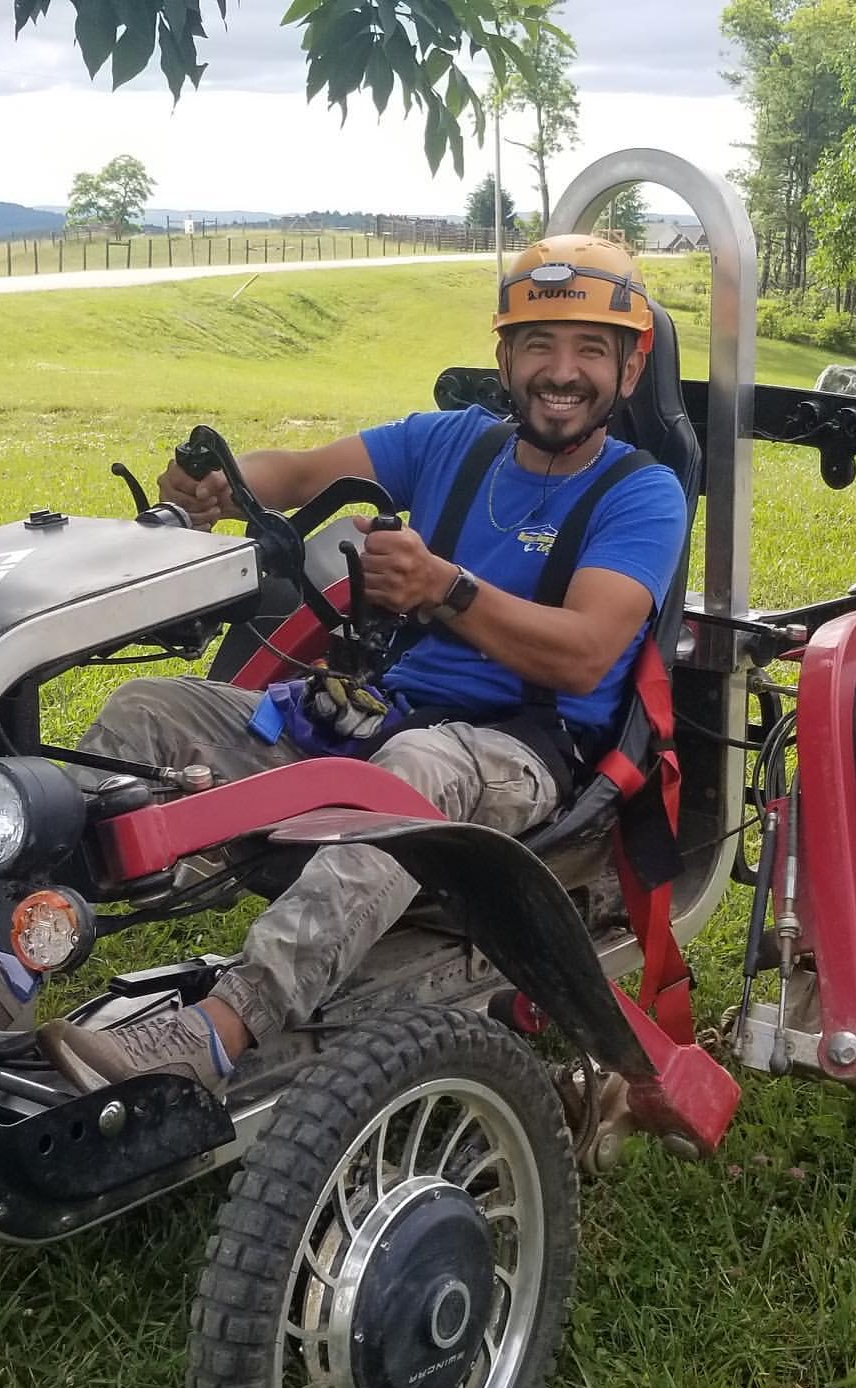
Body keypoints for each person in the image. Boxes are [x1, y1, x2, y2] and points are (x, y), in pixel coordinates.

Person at [39, 234, 688, 1095]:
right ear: (503, 355)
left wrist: (444, 589)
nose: (560, 372)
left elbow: (584, 654)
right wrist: (222, 488)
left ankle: (218, 1031)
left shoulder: (642, 493)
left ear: (629, 371)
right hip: (385, 714)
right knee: (152, 711)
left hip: (524, 753)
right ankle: (16, 954)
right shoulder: (452, 442)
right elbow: (302, 473)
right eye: (538, 344)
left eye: (589, 351)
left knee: (410, 770)